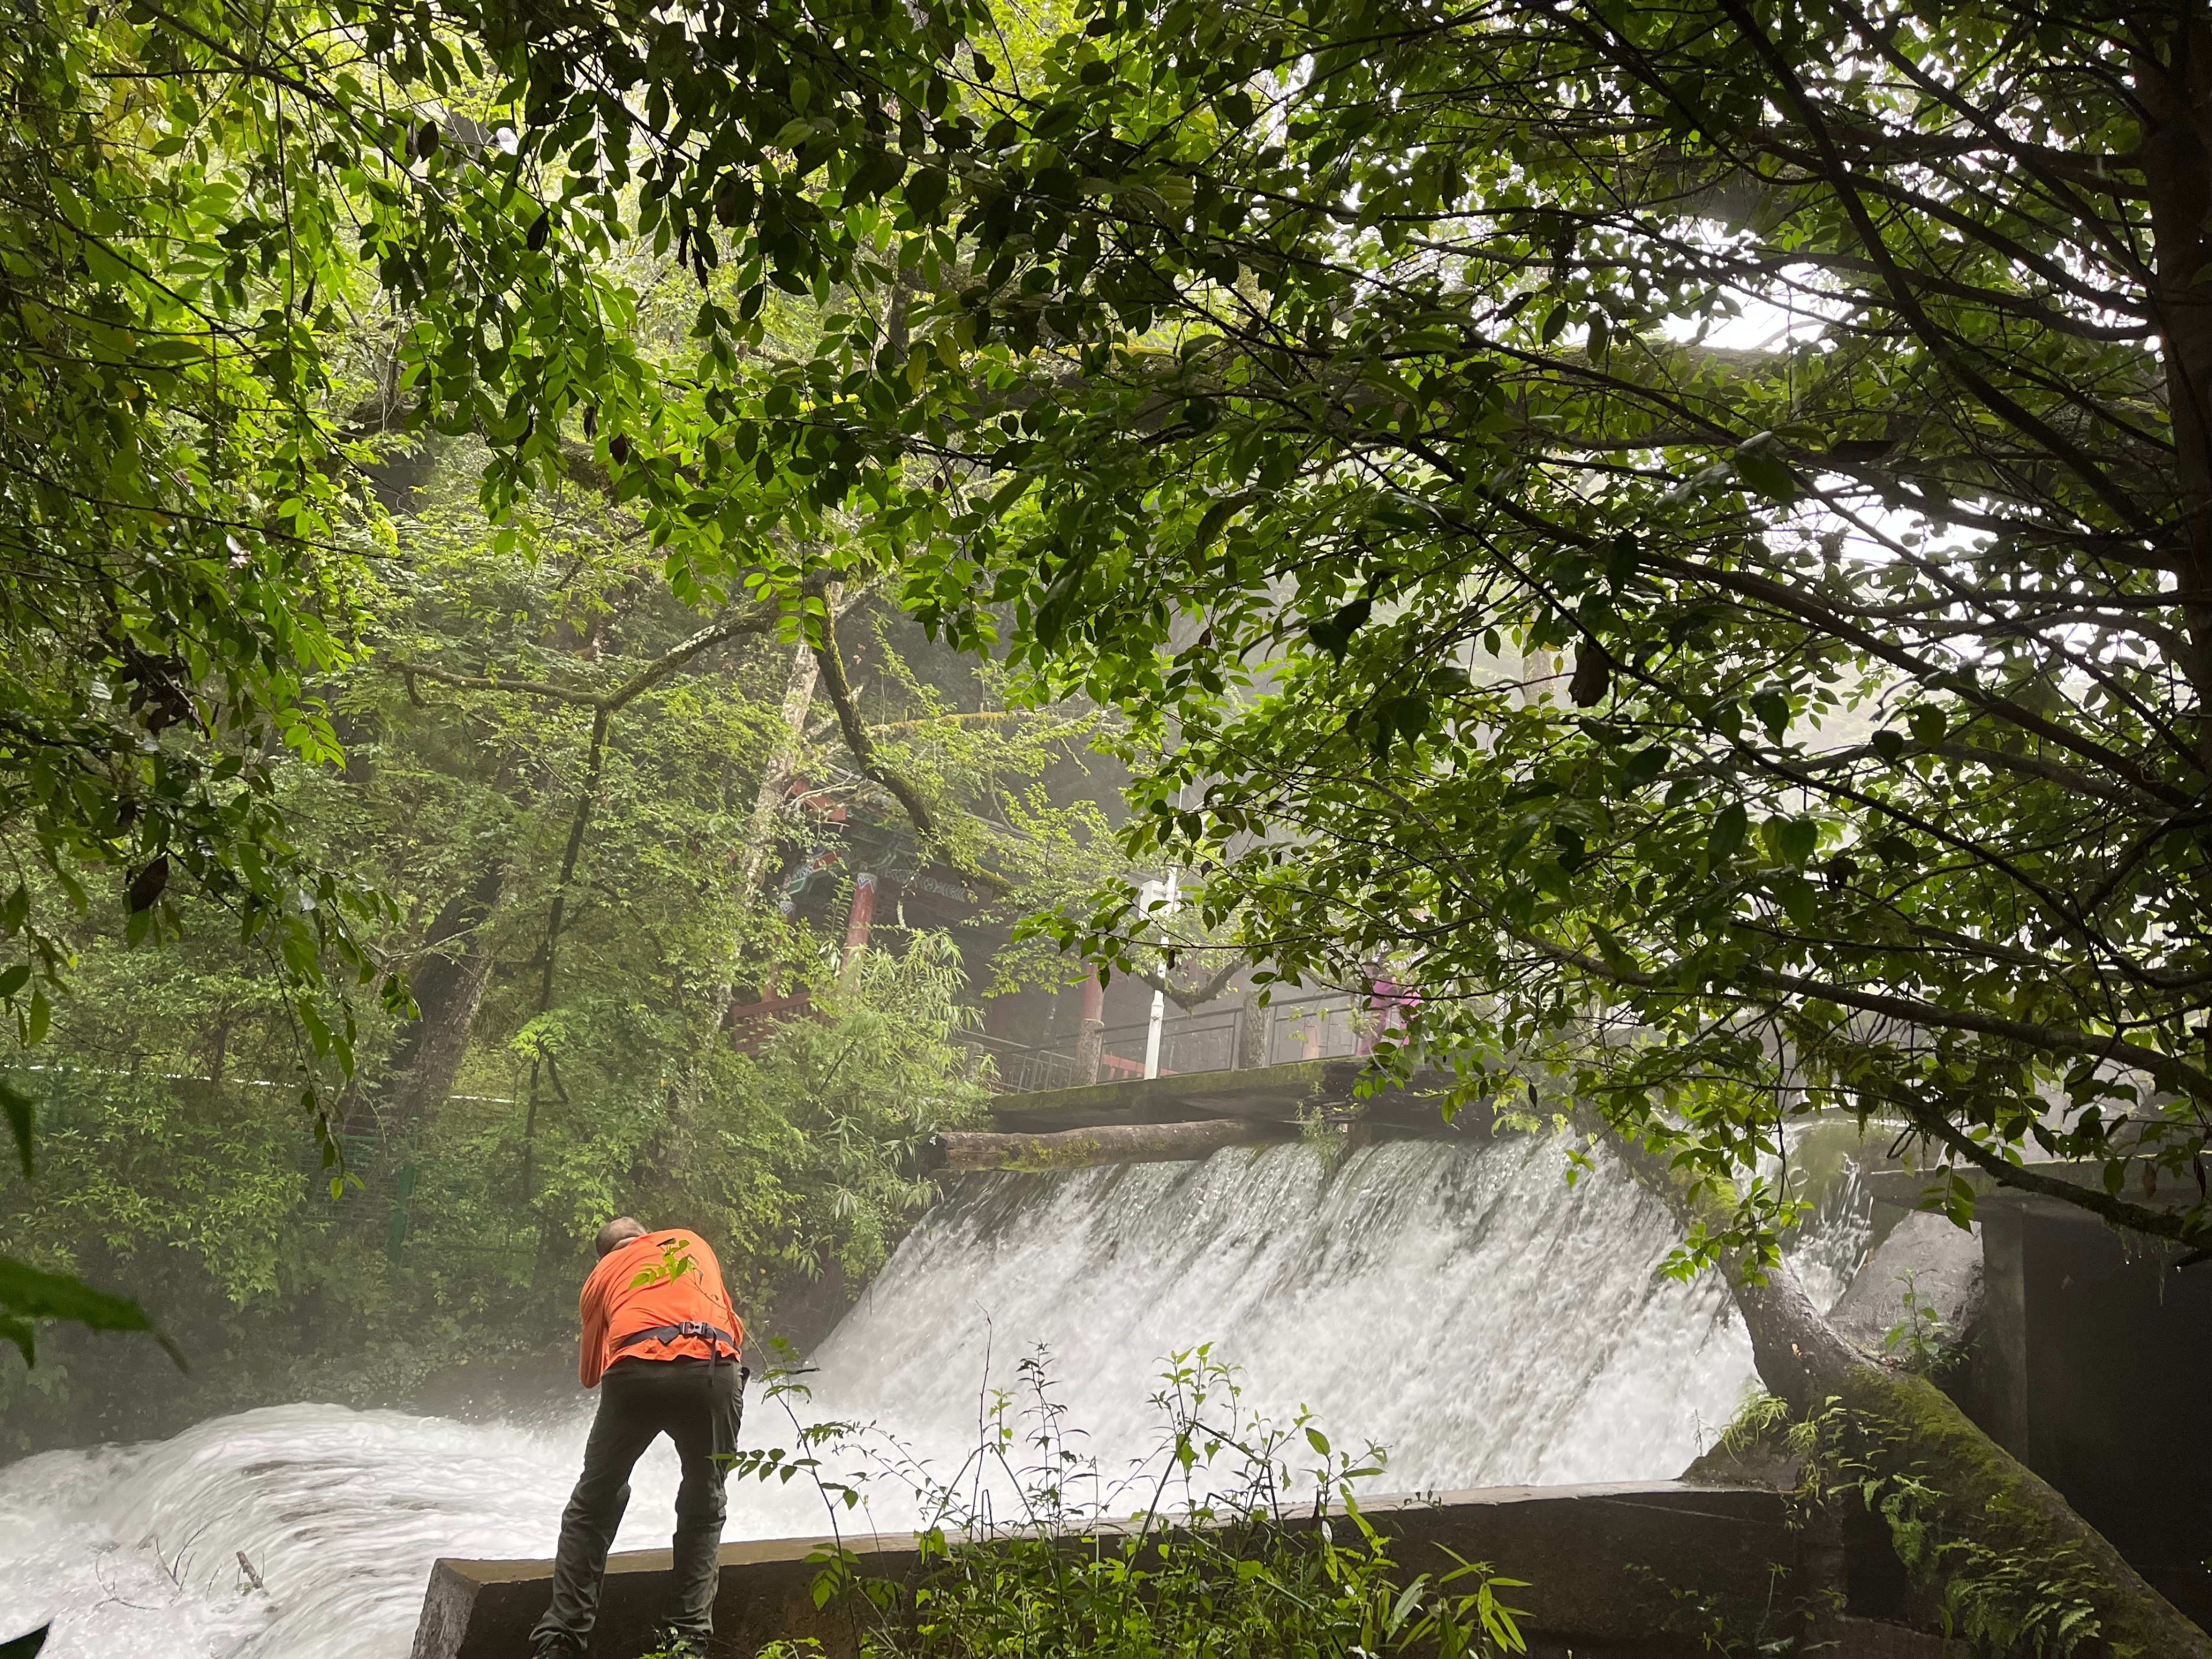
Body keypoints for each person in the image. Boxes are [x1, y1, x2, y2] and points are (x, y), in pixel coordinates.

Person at [531, 1216, 746, 1659]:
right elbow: (734, 1331)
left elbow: (591, 1375)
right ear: (646, 1234)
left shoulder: (601, 1276)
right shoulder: (691, 1242)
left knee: (593, 1503)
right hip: (711, 1368)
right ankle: (687, 1643)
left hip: (635, 1375)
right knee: (704, 1504)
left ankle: (560, 1643)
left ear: (606, 1252)